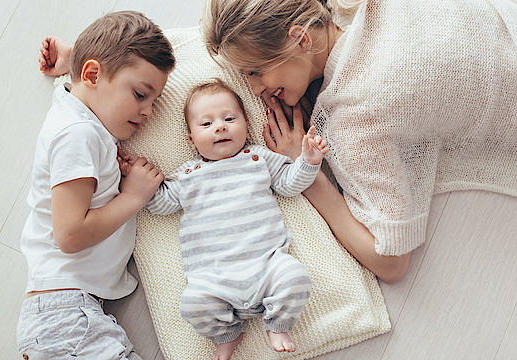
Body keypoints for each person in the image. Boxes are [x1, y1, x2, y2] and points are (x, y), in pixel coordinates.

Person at [200, 0, 517, 284]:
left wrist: (305, 172)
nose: (254, 90)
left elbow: (391, 263)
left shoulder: (356, 117)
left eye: (255, 72)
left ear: (301, 38)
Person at [18, 11, 175, 359]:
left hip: (67, 314)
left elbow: (88, 80)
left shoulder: (75, 111)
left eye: (154, 102)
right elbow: (70, 235)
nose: (148, 111)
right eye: (139, 95)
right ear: (91, 75)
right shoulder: (77, 134)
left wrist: (70, 60)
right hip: (66, 316)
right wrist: (133, 196)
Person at [145, 80, 329, 360]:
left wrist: (308, 161)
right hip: (213, 279)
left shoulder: (258, 158)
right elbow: (159, 204)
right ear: (192, 140)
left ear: (245, 125)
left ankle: (278, 324)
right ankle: (228, 334)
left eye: (229, 119)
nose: (219, 127)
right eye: (206, 124)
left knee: (296, 276)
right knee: (192, 304)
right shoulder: (187, 175)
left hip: (267, 265)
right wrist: (137, 184)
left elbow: (290, 184)